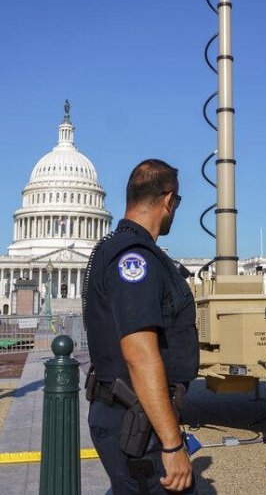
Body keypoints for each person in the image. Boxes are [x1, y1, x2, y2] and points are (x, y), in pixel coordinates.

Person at [84, 159, 198, 494]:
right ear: (168, 200)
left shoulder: (113, 249)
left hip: (128, 412)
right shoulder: (136, 259)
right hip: (136, 419)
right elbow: (140, 354)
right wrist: (173, 445)